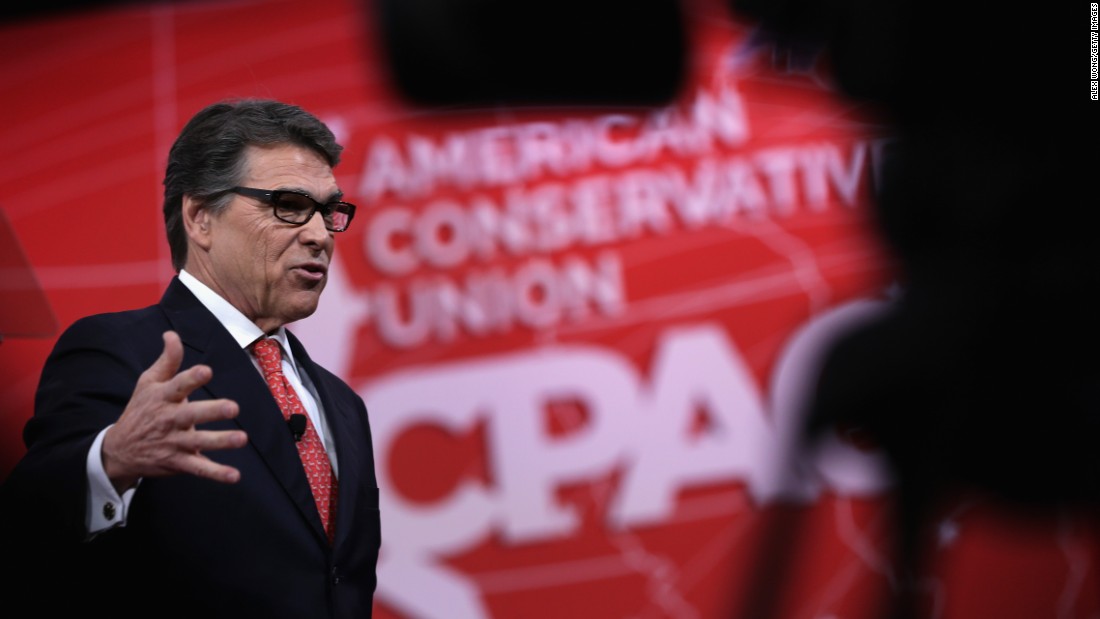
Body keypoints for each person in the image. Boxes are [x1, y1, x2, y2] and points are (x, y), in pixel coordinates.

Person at [0, 99, 381, 618]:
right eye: (289, 205)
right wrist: (111, 461)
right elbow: (26, 522)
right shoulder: (123, 353)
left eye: (327, 211)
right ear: (201, 218)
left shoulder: (342, 403)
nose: (318, 235)